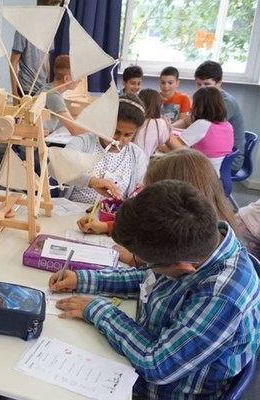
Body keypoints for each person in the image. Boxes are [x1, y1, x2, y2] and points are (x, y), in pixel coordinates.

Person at [51, 180, 260, 400]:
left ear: (184, 266)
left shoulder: (221, 297)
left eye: (144, 262)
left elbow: (157, 365)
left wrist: (99, 310)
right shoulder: (204, 241)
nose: (143, 267)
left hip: (165, 391)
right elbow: (149, 275)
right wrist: (83, 279)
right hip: (146, 354)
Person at [77, 148, 239, 264]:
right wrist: (106, 226)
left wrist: (136, 261)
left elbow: (165, 260)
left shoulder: (196, 246)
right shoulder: (206, 225)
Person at [64, 92, 148, 203]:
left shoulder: (137, 156)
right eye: (115, 132)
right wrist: (91, 181)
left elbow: (136, 194)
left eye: (127, 135)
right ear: (104, 124)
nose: (118, 140)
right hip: (74, 213)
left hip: (112, 218)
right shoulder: (84, 143)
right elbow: (59, 167)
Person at [174, 61, 246, 172]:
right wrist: (170, 126)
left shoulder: (225, 102)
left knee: (176, 161)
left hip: (228, 159)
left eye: (207, 84)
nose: (202, 88)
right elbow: (187, 121)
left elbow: (195, 124)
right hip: (212, 154)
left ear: (219, 83)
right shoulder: (206, 101)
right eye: (199, 84)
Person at [169, 86, 234, 174]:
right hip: (216, 175)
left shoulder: (203, 124)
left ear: (200, 106)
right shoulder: (228, 126)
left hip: (199, 173)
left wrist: (157, 141)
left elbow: (173, 148)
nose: (191, 108)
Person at [10, 0, 61, 103]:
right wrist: (14, 93)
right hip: (25, 88)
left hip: (42, 88)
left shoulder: (49, 30)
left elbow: (46, 60)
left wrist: (47, 86)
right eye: (55, 11)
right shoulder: (24, 30)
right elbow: (13, 62)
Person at [39, 55, 86, 135]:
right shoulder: (53, 96)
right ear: (67, 79)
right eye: (78, 77)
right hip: (40, 143)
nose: (80, 81)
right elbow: (75, 131)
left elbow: (71, 118)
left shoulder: (50, 88)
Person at [133, 88, 179, 157]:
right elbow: (179, 149)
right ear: (159, 106)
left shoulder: (131, 120)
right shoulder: (160, 124)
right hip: (145, 164)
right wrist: (168, 129)